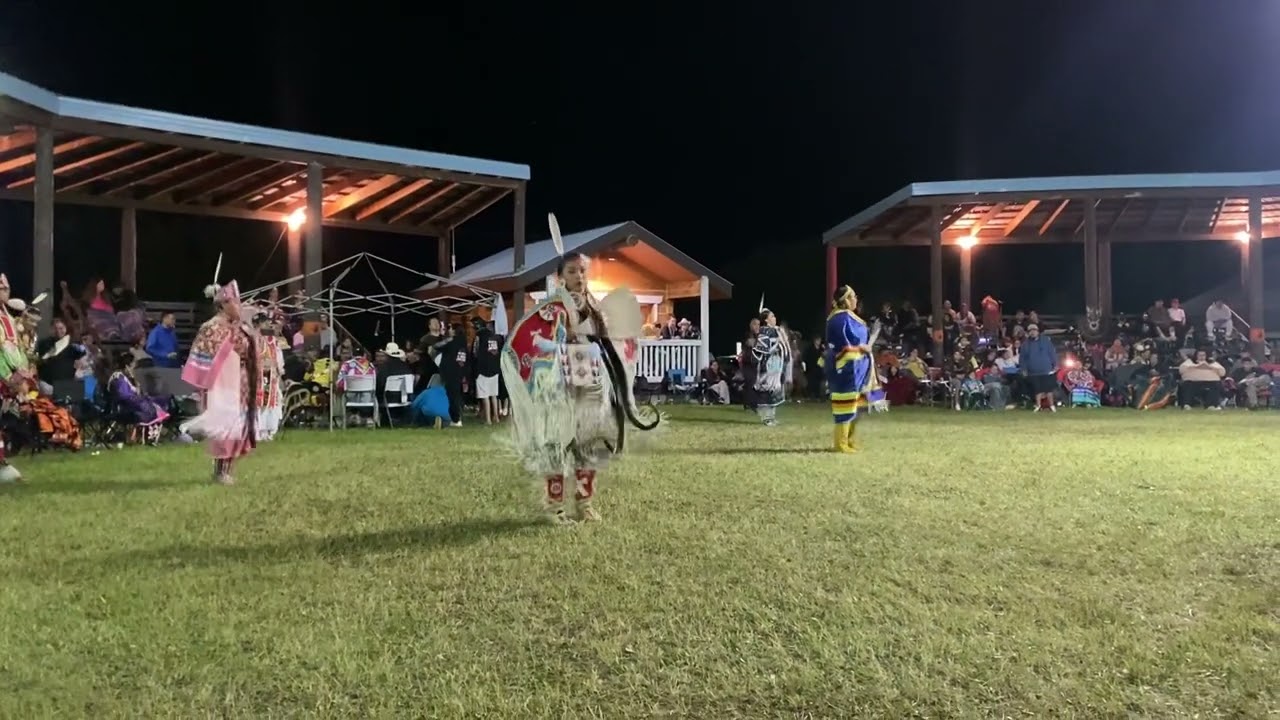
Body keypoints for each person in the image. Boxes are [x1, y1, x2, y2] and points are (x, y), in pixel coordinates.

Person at [500, 248, 656, 525]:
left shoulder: (594, 306)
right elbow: (535, 342)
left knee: (591, 445)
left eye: (582, 271)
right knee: (557, 444)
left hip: (591, 381)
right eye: (571, 271)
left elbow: (610, 339)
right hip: (559, 386)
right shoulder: (554, 308)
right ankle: (555, 508)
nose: (578, 276)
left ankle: (584, 505)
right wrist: (565, 336)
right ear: (560, 277)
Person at [181, 273, 260, 485]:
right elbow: (209, 353)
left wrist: (248, 322)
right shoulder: (212, 326)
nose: (238, 305)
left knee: (237, 428)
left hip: (239, 383)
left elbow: (248, 346)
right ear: (223, 304)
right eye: (235, 302)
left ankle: (227, 470)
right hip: (222, 386)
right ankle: (220, 471)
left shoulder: (239, 325)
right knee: (224, 428)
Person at [821, 285, 879, 452]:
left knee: (858, 405)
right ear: (845, 300)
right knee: (845, 405)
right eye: (852, 296)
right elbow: (843, 346)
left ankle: (850, 439)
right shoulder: (840, 319)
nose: (855, 299)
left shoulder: (847, 317)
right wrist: (863, 348)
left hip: (858, 368)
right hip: (847, 368)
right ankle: (841, 443)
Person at [746, 308, 792, 426]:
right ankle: (766, 418)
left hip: (776, 365)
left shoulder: (776, 330)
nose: (774, 318)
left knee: (775, 390)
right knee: (766, 391)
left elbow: (784, 346)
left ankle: (771, 417)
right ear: (766, 320)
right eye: (772, 316)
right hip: (768, 366)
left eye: (774, 316)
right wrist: (773, 348)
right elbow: (762, 349)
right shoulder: (765, 331)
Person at [254, 312, 284, 440]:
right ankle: (259, 431)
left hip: (270, 374)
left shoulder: (272, 340)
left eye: (267, 322)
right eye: (265, 322)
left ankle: (268, 430)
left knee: (271, 402)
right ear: (258, 324)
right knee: (260, 402)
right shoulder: (253, 339)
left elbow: (277, 357)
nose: (268, 324)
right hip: (259, 374)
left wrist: (279, 370)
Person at [1020, 323, 1058, 411]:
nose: (1032, 332)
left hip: (1046, 369)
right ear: (1028, 333)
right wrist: (1023, 369)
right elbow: (1022, 359)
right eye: (1030, 331)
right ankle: (1038, 406)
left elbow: (1052, 353)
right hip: (1033, 371)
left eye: (1034, 330)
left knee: (1048, 389)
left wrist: (1055, 364)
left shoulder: (1046, 341)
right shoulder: (1025, 344)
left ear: (1037, 331)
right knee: (1037, 390)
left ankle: (1052, 406)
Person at [472, 318, 503, 424]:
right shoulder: (495, 337)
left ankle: (488, 420)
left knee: (485, 396)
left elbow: (476, 353)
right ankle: (496, 417)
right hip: (495, 369)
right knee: (494, 394)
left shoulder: (479, 337)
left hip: (483, 370)